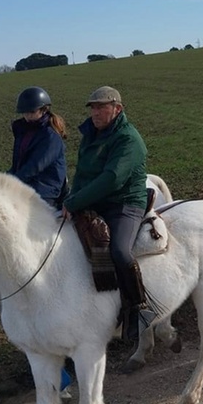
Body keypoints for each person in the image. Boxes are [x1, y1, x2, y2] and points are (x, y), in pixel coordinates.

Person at [61, 86, 152, 341]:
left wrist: (77, 202)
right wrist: (71, 200)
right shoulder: (91, 135)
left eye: (101, 106)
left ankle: (139, 309)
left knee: (120, 251)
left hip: (125, 204)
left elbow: (112, 179)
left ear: (117, 108)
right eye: (92, 107)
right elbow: (82, 174)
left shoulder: (128, 139)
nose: (95, 112)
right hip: (98, 202)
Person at [7, 86, 69, 208]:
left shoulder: (51, 137)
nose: (27, 116)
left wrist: (10, 182)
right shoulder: (22, 132)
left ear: (44, 109)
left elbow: (35, 165)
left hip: (46, 188)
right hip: (26, 183)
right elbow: (18, 162)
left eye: (31, 112)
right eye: (25, 112)